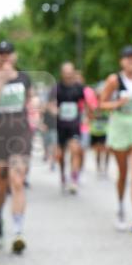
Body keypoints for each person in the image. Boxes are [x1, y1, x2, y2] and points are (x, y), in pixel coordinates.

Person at [0, 41, 35, 253]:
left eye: (8, 53)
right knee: (1, 182)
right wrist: (0, 84)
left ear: (14, 55)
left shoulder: (24, 77)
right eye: (0, 54)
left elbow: (30, 101)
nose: (4, 57)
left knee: (17, 181)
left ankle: (18, 232)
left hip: (19, 134)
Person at [99, 45, 132, 231]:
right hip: (119, 125)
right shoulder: (114, 80)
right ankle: (121, 206)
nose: (131, 60)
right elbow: (101, 103)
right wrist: (117, 103)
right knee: (123, 172)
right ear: (121, 61)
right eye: (127, 57)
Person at [49, 62, 87, 194]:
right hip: (61, 126)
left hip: (74, 125)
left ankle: (74, 179)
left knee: (75, 150)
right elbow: (50, 104)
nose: (68, 74)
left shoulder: (78, 87)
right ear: (62, 73)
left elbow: (85, 103)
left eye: (70, 71)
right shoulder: (57, 88)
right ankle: (63, 175)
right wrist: (54, 110)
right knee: (61, 155)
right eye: (66, 72)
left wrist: (87, 116)